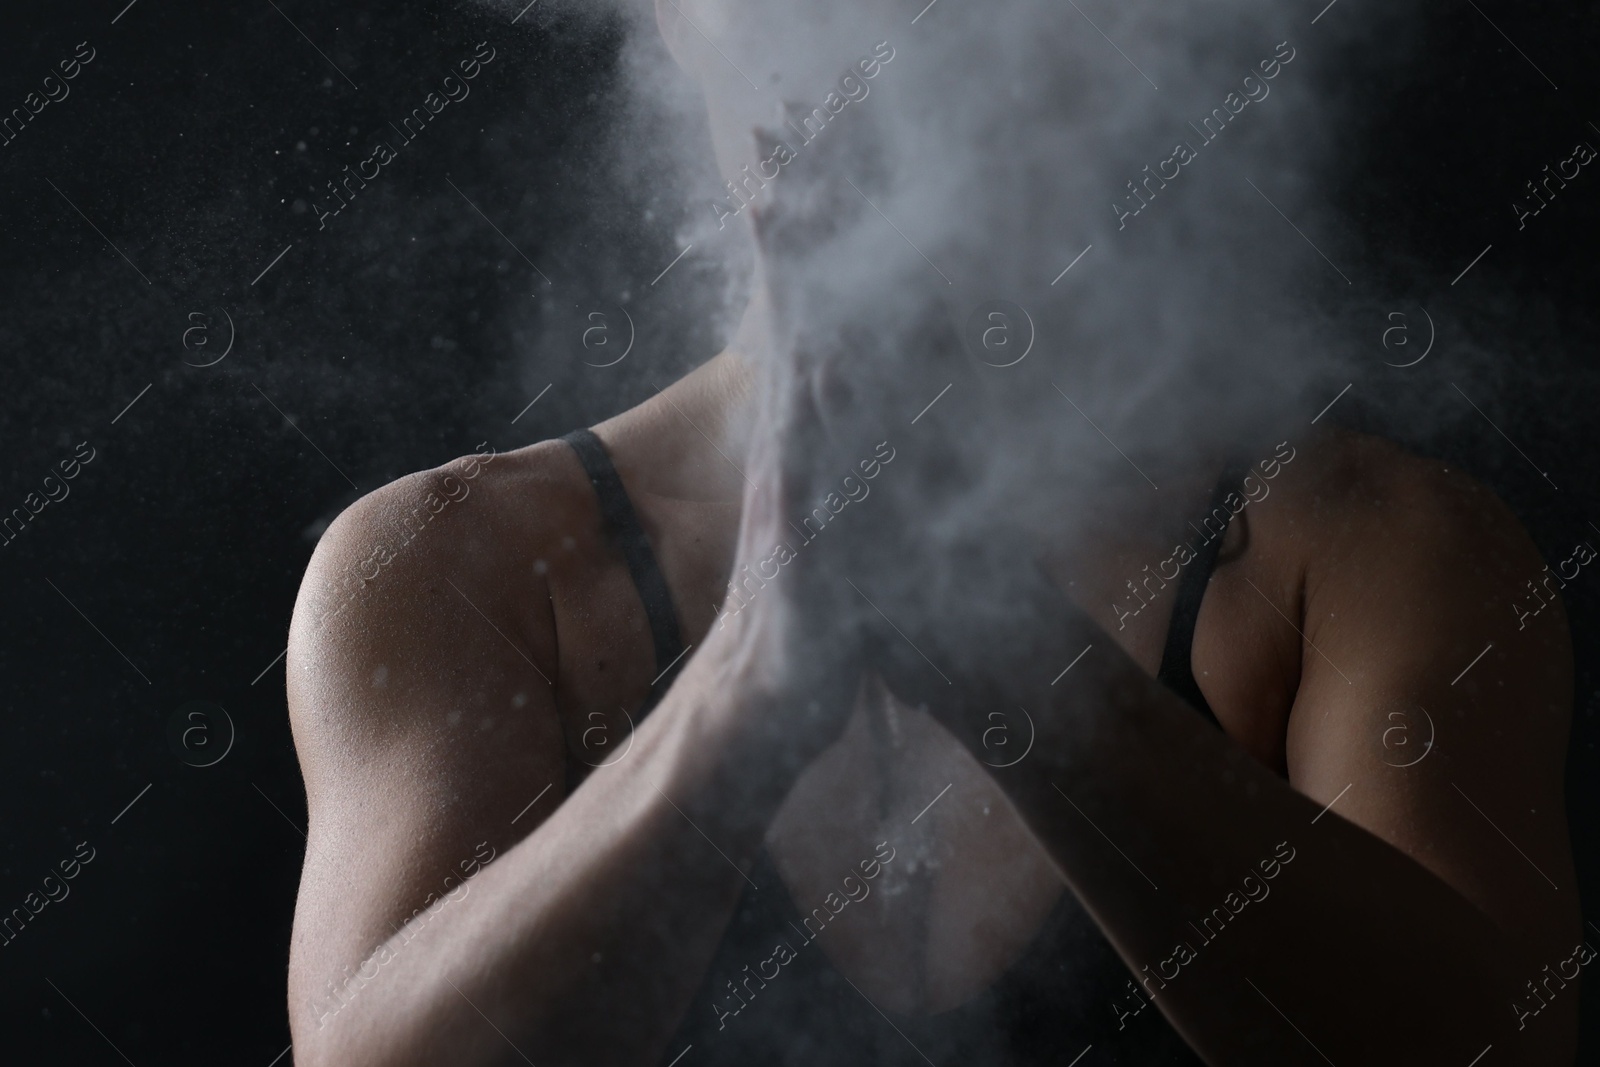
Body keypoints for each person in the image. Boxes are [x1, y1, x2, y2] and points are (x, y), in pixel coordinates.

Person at [283, 2, 1581, 1064]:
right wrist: (744, 691)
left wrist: (1023, 673)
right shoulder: (455, 563)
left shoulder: (1360, 551)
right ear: (662, 25)